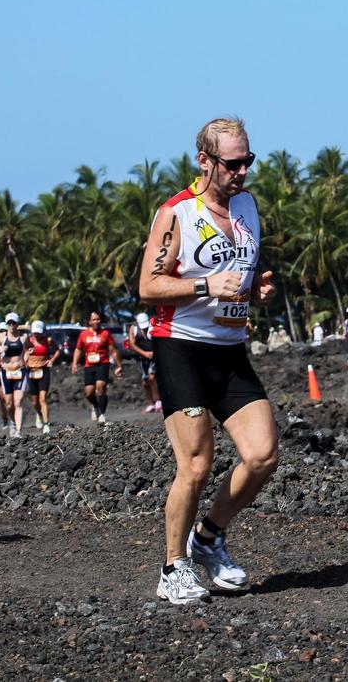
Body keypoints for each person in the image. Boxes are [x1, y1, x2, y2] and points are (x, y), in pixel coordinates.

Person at [138, 116, 280, 606]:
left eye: (247, 161)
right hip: (180, 347)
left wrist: (258, 289)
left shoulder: (247, 206)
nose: (241, 171)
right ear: (204, 161)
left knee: (263, 454)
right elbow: (148, 287)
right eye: (232, 163)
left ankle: (210, 538)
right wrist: (203, 285)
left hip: (229, 349)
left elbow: (244, 275)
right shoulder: (177, 213)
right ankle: (172, 566)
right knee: (196, 464)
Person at [72, 311, 117, 424]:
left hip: (103, 363)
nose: (96, 321)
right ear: (89, 322)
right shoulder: (84, 334)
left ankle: (102, 414)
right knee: (89, 393)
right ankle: (95, 406)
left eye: (98, 319)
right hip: (89, 365)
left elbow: (112, 350)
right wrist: (74, 363)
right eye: (94, 319)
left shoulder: (106, 333)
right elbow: (78, 349)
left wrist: (118, 365)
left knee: (101, 387)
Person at [25, 320, 57, 434]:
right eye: (35, 333)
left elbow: (57, 350)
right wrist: (25, 359)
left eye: (38, 333)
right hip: (31, 371)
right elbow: (23, 353)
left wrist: (52, 360)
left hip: (43, 370)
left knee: (43, 398)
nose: (36, 335)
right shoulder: (29, 341)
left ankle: (46, 424)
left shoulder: (48, 340)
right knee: (34, 401)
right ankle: (38, 414)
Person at [131, 312, 162, 413]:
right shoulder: (133, 329)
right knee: (145, 382)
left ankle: (158, 401)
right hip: (142, 357)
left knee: (152, 377)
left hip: (154, 356)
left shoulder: (153, 325)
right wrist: (144, 353)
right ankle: (150, 403)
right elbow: (132, 345)